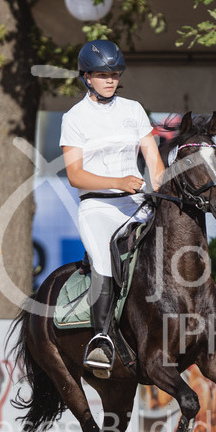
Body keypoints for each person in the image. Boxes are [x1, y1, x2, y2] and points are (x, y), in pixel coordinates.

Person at [60, 40, 166, 378]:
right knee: (104, 259)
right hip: (98, 207)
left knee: (180, 243)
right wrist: (119, 182)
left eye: (115, 74)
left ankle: (214, 325)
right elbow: (75, 175)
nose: (110, 80)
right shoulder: (74, 118)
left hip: (137, 202)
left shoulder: (133, 110)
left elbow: (153, 158)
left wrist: (161, 187)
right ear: (87, 77)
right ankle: (101, 339)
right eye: (103, 74)